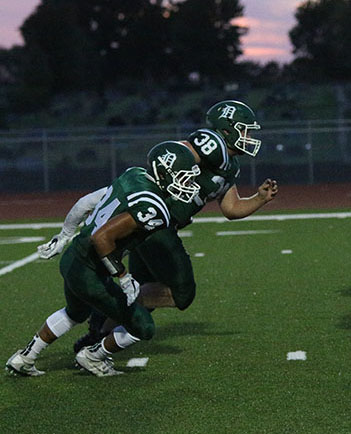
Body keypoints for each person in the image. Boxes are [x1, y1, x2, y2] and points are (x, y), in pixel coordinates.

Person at [36, 100, 279, 355]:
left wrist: (259, 199)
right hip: (155, 228)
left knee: (144, 287)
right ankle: (107, 311)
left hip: (155, 228)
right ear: (227, 130)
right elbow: (169, 158)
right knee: (182, 293)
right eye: (245, 130)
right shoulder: (201, 148)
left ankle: (97, 336)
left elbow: (231, 208)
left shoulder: (230, 165)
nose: (249, 137)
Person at [6, 141, 201, 377]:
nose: (188, 183)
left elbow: (85, 203)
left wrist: (64, 235)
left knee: (75, 313)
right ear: (164, 173)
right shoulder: (151, 204)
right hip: (91, 270)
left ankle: (25, 357)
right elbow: (101, 239)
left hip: (73, 258)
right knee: (143, 326)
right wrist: (123, 275)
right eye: (182, 177)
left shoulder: (134, 174)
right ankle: (92, 356)